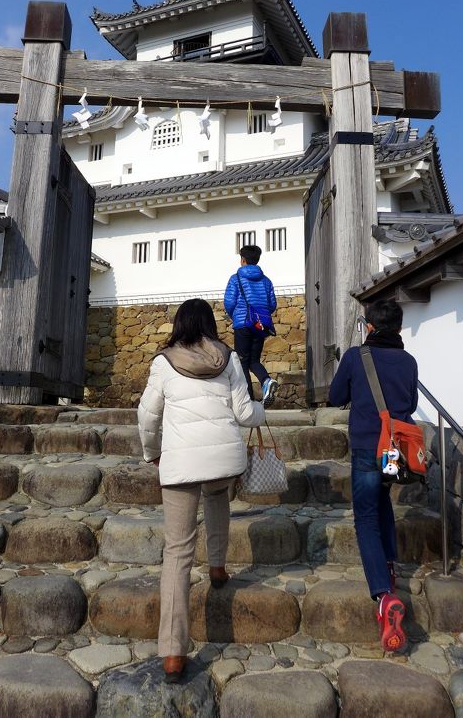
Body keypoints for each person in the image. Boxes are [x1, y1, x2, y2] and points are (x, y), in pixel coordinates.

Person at [138, 298, 265, 683]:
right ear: (210, 324)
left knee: (176, 552)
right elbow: (245, 414)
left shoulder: (163, 362)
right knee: (216, 496)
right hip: (221, 460)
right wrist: (264, 412)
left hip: (179, 464)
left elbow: (147, 414)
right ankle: (217, 565)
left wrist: (151, 453)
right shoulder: (229, 360)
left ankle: (174, 653)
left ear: (178, 324)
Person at [328, 299, 418, 652]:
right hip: (394, 449)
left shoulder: (355, 356)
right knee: (383, 503)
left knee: (366, 518)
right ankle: (390, 569)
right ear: (397, 328)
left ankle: (384, 596)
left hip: (367, 445)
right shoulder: (408, 361)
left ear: (369, 326)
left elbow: (336, 397)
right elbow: (409, 404)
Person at [224, 243, 278, 405]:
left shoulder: (235, 278)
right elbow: (272, 304)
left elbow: (229, 302)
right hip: (259, 325)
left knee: (242, 362)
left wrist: (235, 315)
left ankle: (248, 398)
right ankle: (266, 381)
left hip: (243, 324)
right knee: (254, 360)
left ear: (243, 260)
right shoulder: (266, 280)